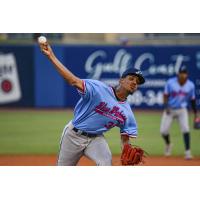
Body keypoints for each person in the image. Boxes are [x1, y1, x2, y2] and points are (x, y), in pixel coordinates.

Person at [39, 40, 145, 166]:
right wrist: (51, 56)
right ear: (121, 80)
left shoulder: (127, 113)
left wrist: (126, 151)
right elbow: (73, 81)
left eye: (137, 82)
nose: (134, 82)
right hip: (73, 135)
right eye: (131, 78)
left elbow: (125, 139)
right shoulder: (98, 89)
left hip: (96, 139)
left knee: (106, 164)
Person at [160, 66, 198, 159]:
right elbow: (165, 95)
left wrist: (195, 113)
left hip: (182, 109)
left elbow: (192, 100)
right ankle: (168, 144)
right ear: (178, 74)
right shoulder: (170, 82)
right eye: (181, 73)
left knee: (186, 129)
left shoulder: (190, 85)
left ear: (187, 75)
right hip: (170, 109)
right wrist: (166, 106)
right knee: (163, 131)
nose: (183, 75)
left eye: (184, 73)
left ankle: (188, 152)